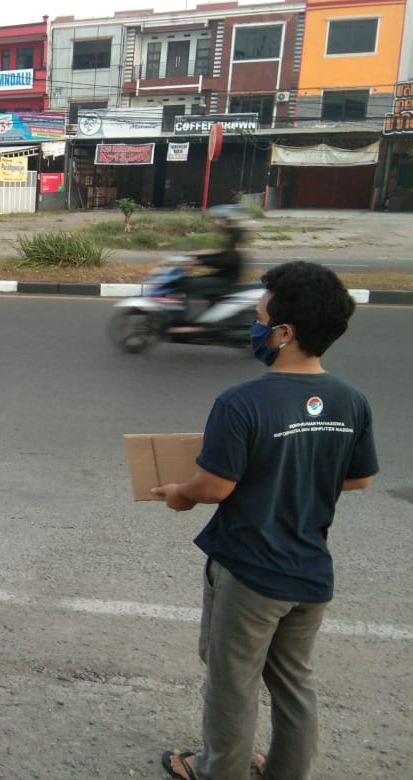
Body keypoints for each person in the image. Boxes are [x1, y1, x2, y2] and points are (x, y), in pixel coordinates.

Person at [153, 261, 377, 780]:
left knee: (232, 682)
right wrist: (297, 473)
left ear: (284, 332)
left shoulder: (241, 402)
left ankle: (219, 770)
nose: (255, 325)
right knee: (295, 684)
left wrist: (180, 494)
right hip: (311, 572)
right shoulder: (352, 400)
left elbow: (215, 486)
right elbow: (359, 478)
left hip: (251, 572)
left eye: (259, 317)